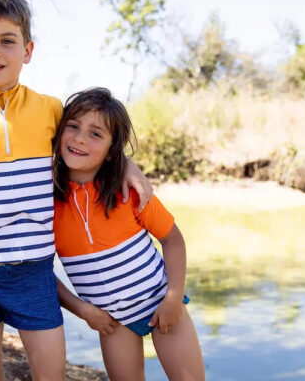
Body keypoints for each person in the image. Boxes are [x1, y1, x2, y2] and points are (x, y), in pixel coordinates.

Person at [0, 0, 152, 380]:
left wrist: (127, 163)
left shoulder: (49, 110)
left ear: (27, 51)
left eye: (6, 41)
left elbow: (87, 144)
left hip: (35, 275)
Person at [54, 87, 205, 381]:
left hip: (161, 302)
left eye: (96, 134)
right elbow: (40, 270)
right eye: (73, 126)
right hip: (112, 321)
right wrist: (82, 310)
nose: (80, 138)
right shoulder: (47, 203)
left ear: (112, 152)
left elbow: (173, 240)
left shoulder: (130, 192)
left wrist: (173, 298)